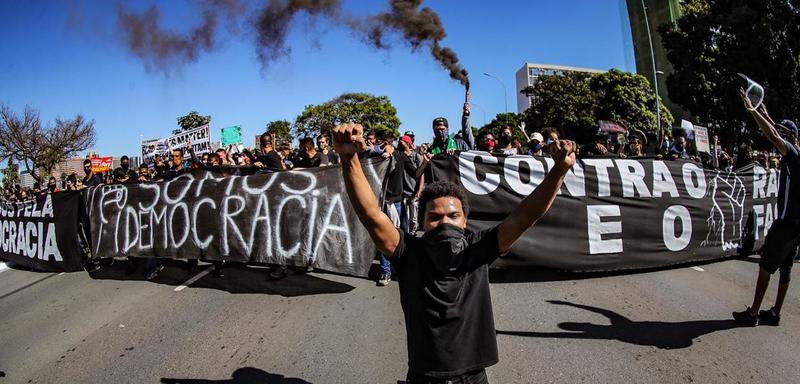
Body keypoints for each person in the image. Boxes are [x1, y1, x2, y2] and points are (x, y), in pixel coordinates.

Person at [332, 123, 576, 383]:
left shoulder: (478, 249)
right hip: (424, 377)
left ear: (464, 221)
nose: (445, 222)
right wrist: (349, 159)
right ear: (423, 222)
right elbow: (371, 215)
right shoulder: (408, 252)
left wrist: (559, 170)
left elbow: (525, 216)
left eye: (453, 215)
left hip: (473, 377)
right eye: (435, 217)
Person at [733, 90, 800, 326]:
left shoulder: (793, 153)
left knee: (765, 265)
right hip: (797, 224)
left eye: (784, 133)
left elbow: (773, 136)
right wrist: (766, 113)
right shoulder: (796, 153)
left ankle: (753, 313)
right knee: (786, 268)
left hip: (786, 222)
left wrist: (752, 110)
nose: (779, 134)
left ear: (791, 137)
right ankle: (775, 313)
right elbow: (776, 131)